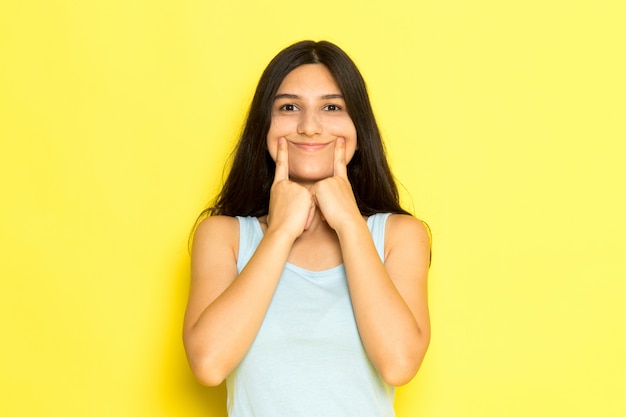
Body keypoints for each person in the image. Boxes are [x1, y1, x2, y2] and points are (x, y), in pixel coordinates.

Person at [183, 40, 431, 417]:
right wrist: (280, 232)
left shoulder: (399, 236)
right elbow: (209, 364)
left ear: (357, 126)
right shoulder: (224, 236)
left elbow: (398, 364)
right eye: (289, 107)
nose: (309, 127)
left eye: (332, 107)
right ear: (264, 126)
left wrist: (349, 223)